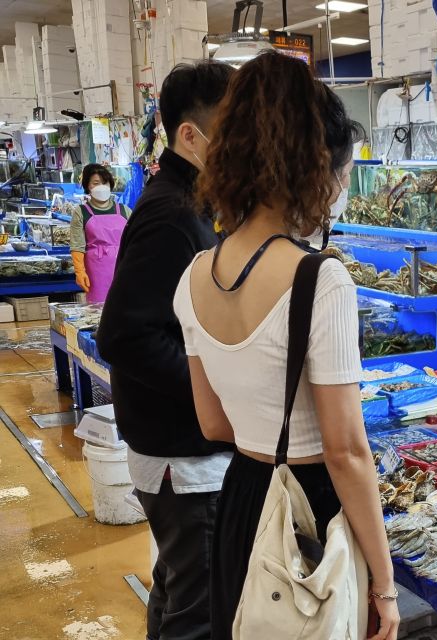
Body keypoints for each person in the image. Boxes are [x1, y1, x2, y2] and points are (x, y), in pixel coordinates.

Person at [174, 51, 399, 640]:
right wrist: (385, 584)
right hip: (311, 512)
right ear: (312, 167)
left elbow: (212, 422)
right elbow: (348, 452)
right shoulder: (321, 280)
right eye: (340, 172)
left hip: (244, 501)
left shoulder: (195, 274)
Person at [96, 61, 234, 640]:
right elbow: (123, 336)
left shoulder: (189, 203)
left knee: (178, 593)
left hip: (176, 453)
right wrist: (213, 386)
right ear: (190, 135)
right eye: (232, 132)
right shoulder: (170, 215)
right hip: (183, 461)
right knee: (197, 615)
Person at [69, 163, 131, 303]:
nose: (101, 187)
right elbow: (77, 245)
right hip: (96, 272)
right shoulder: (81, 212)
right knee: (99, 312)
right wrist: (80, 271)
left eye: (105, 182)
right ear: (87, 186)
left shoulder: (125, 210)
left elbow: (136, 240)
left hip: (124, 267)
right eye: (96, 183)